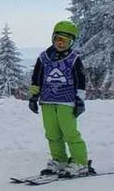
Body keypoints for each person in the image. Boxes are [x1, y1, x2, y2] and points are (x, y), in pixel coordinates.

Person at [28, 20, 91, 177]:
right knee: (52, 133)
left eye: (66, 40)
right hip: (47, 101)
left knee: (70, 132)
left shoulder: (74, 58)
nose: (61, 43)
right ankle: (60, 160)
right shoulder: (43, 58)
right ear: (53, 38)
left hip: (67, 101)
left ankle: (80, 162)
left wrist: (79, 100)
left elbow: (81, 80)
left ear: (72, 42)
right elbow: (36, 79)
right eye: (58, 39)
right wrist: (33, 97)